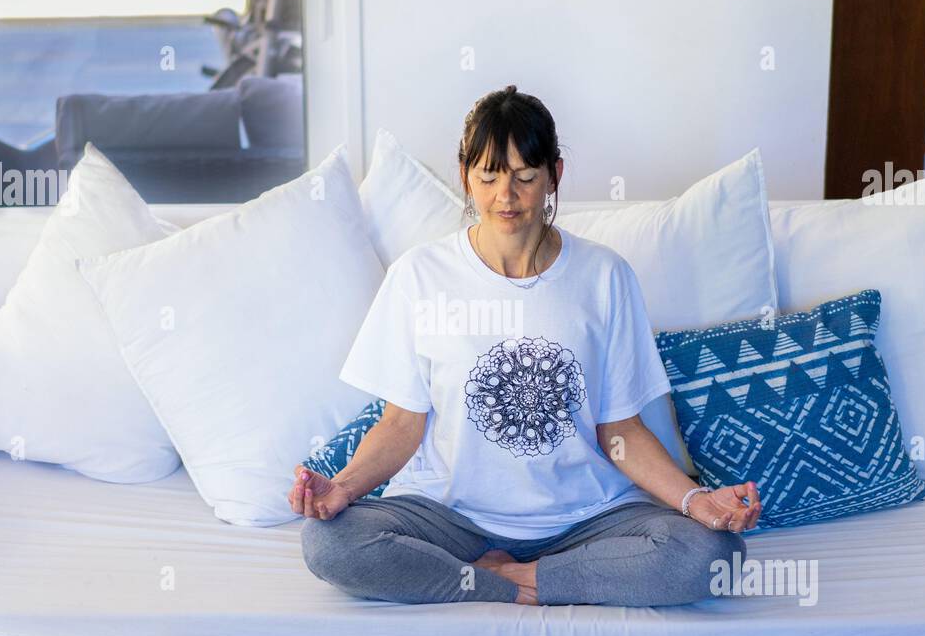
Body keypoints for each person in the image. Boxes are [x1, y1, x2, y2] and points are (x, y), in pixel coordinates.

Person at [289, 85, 760, 606]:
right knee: (328, 544)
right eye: (488, 176)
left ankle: (505, 577)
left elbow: (620, 430)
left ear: (554, 175)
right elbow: (402, 424)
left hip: (586, 517)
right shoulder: (419, 276)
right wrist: (345, 488)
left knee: (714, 554)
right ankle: (518, 580)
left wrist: (696, 501)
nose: (504, 197)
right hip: (449, 516)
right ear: (465, 173)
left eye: (525, 177)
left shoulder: (605, 275)